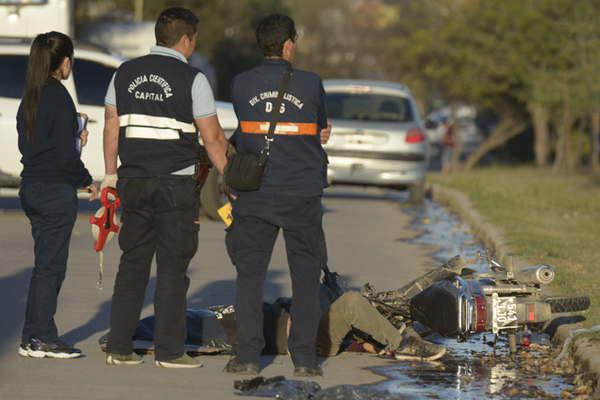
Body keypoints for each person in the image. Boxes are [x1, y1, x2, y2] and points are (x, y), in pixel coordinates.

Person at [101, 7, 228, 368]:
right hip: (176, 183)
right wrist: (231, 182)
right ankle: (171, 352)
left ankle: (120, 348)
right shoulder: (194, 79)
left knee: (132, 264)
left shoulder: (124, 73)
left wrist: (111, 175)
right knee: (173, 268)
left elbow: (112, 126)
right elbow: (214, 138)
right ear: (187, 40)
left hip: (134, 181)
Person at [225, 14, 332, 377]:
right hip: (301, 194)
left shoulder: (241, 83)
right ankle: (304, 359)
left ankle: (248, 356)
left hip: (255, 194)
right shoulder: (311, 82)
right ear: (288, 44)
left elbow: (246, 130)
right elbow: (320, 130)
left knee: (250, 276)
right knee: (305, 277)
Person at [101, 257, 462, 361]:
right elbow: (156, 330)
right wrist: (124, 336)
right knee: (351, 303)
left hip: (297, 315)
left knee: (329, 288)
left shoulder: (204, 313)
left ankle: (382, 328)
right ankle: (403, 345)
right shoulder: (203, 328)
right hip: (303, 338)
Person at [17, 31, 98, 359]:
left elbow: (39, 145)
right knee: (51, 268)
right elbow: (65, 155)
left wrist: (73, 136)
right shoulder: (60, 97)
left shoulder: (31, 96)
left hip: (32, 187)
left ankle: (31, 336)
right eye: (71, 60)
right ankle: (42, 337)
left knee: (44, 266)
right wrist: (87, 181)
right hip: (54, 191)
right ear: (64, 62)